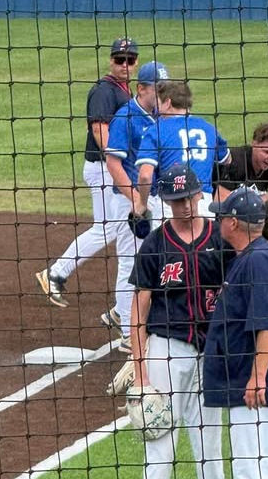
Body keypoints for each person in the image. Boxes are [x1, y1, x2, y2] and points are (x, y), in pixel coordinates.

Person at [129, 164, 230, 479]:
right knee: (160, 441)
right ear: (167, 201)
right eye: (177, 200)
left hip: (212, 352)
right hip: (167, 350)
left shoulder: (221, 237)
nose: (185, 205)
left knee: (210, 446)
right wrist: (140, 370)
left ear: (200, 194)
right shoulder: (155, 244)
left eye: (189, 197)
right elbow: (139, 308)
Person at [203, 187, 268, 479]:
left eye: (221, 217)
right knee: (261, 465)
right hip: (251, 381)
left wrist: (257, 378)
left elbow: (267, 325)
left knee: (255, 467)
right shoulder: (251, 257)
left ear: (233, 223)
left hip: (258, 386)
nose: (217, 223)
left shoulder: (257, 260)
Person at [35, 37, 138, 306]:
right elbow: (99, 130)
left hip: (110, 169)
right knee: (108, 229)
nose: (124, 64)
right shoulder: (105, 91)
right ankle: (55, 273)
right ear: (111, 60)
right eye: (119, 59)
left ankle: (59, 274)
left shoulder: (123, 90)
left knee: (112, 228)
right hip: (103, 168)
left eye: (129, 60)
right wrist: (117, 161)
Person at [96, 62, 169, 349]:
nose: (164, 95)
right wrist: (136, 199)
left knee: (161, 259)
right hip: (127, 199)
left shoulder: (165, 116)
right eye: (158, 89)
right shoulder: (126, 117)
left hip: (159, 197)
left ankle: (147, 321)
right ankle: (128, 331)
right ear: (141, 89)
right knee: (131, 261)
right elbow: (113, 163)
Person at [135, 81, 231, 219]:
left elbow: (145, 176)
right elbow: (226, 159)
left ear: (167, 103)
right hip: (203, 204)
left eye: (158, 104)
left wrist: (142, 203)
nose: (157, 110)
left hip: (171, 204)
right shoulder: (209, 128)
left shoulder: (156, 129)